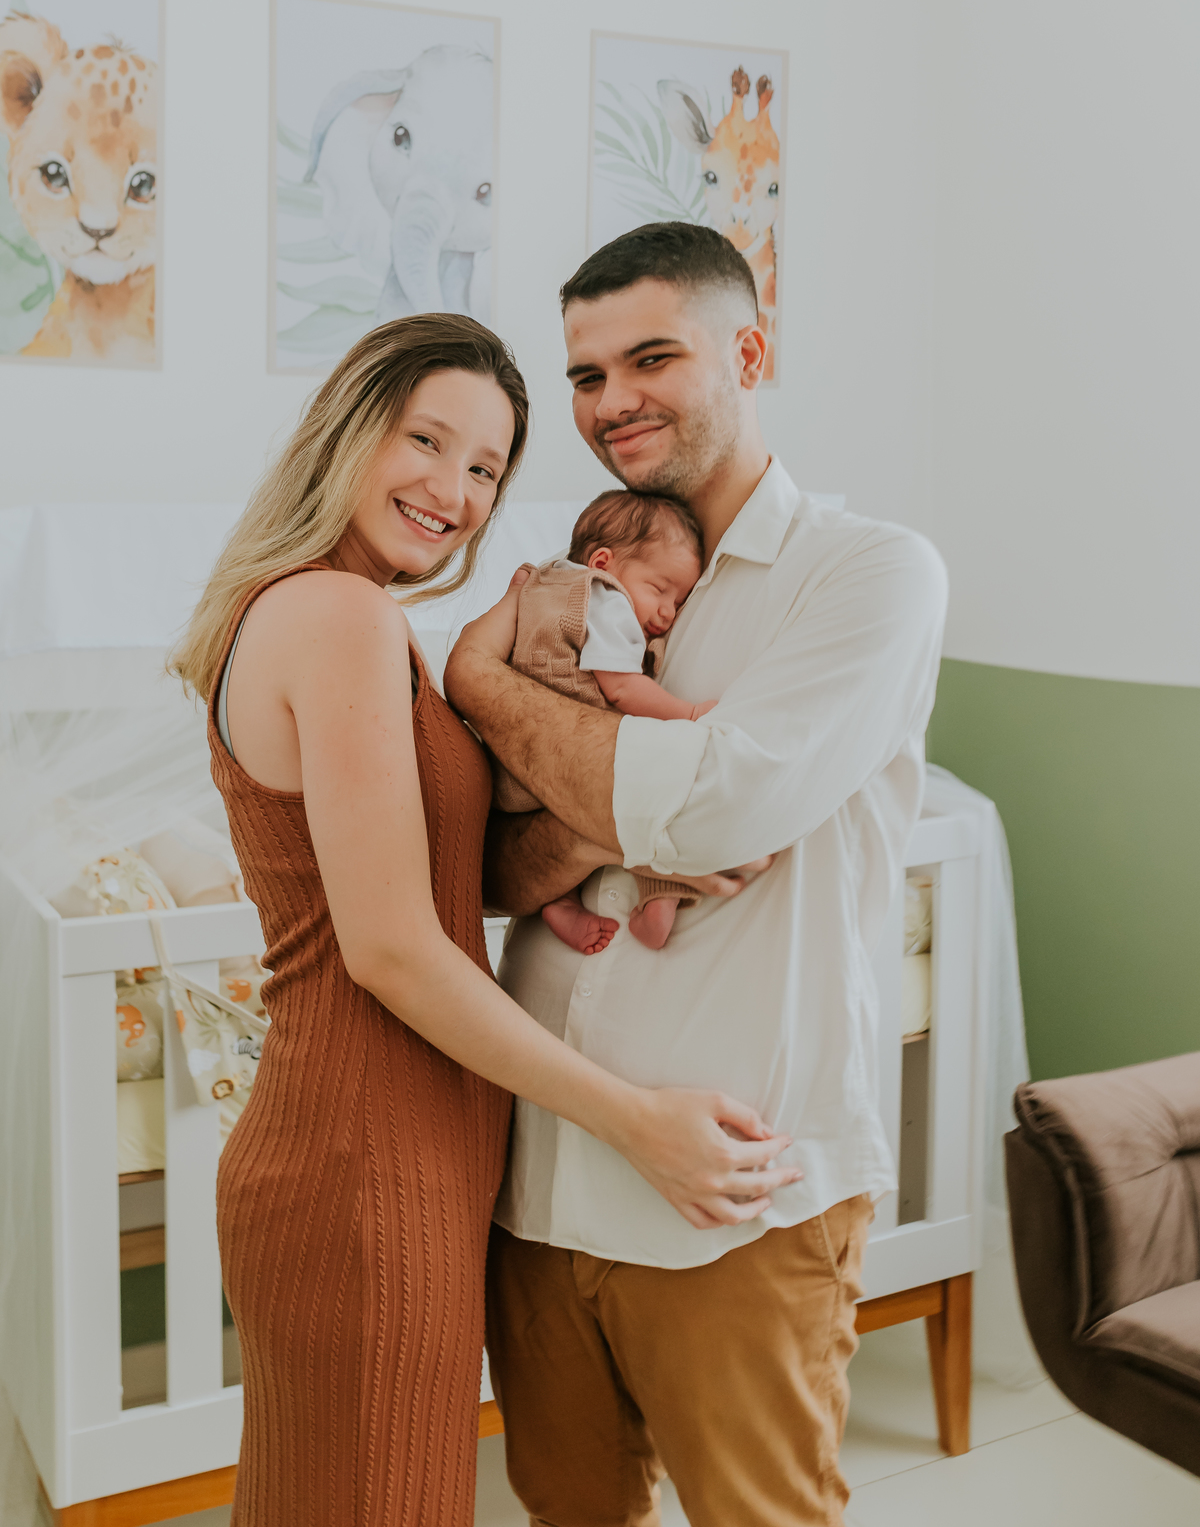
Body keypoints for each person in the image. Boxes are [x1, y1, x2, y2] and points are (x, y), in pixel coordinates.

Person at [169, 314, 798, 1527]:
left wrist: (616, 832)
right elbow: (396, 948)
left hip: (395, 1148)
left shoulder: (345, 617)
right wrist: (636, 1122)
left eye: (485, 469)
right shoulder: (337, 618)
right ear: (348, 430)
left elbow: (450, 884)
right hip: (366, 1154)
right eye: (427, 441)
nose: (452, 492)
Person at [444, 229, 949, 1527]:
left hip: (736, 1191)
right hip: (545, 1180)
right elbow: (494, 869)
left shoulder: (868, 572)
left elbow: (722, 804)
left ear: (750, 353)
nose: (613, 401)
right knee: (569, 1510)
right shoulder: (576, 579)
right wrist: (626, 815)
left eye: (651, 357)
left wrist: (488, 689)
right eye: (587, 374)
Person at [492, 487, 718, 956]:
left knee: (557, 829)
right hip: (562, 753)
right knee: (647, 787)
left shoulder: (541, 583)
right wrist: (690, 714)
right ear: (602, 563)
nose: (666, 612)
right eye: (659, 589)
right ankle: (660, 895)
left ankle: (558, 900)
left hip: (511, 763)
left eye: (679, 601)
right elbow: (620, 688)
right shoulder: (605, 598)